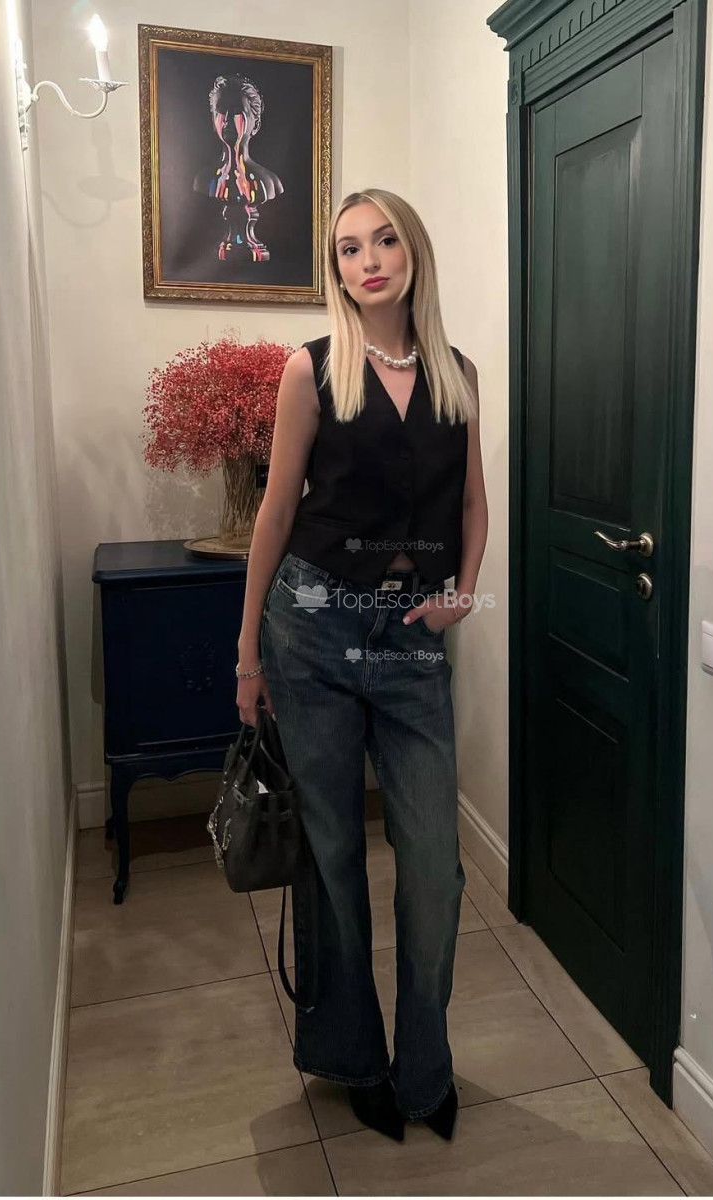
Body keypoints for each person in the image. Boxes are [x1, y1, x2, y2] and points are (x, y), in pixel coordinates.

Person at [236, 187, 489, 1143]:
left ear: (412, 252)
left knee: (433, 869)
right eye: (348, 249)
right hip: (312, 629)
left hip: (413, 640)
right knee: (333, 854)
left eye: (384, 241)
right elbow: (275, 511)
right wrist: (248, 652)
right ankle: (354, 1058)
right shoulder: (312, 369)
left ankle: (425, 1068)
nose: (368, 260)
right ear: (336, 270)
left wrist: (464, 592)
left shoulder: (458, 374)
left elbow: (473, 503)